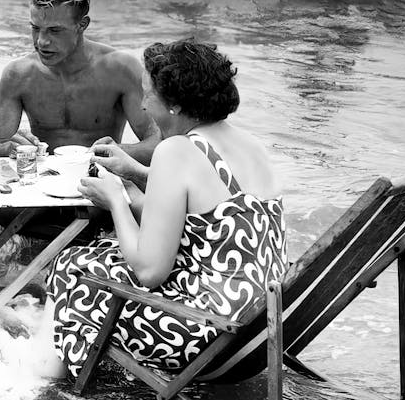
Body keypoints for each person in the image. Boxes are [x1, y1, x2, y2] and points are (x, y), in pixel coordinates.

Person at [45, 39, 287, 377]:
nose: (143, 106)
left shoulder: (176, 150)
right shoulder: (252, 146)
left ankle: (45, 370)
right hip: (260, 334)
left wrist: (116, 201)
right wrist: (134, 177)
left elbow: (150, 270)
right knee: (105, 253)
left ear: (173, 104)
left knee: (74, 265)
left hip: (206, 337)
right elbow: (207, 224)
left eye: (148, 94)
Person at [0, 0, 159, 162]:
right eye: (35, 28)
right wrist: (13, 148)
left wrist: (111, 153)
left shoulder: (121, 70)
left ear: (82, 25)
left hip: (101, 178)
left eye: (54, 30)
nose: (41, 41)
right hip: (44, 181)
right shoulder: (19, 75)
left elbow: (157, 143)